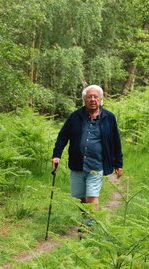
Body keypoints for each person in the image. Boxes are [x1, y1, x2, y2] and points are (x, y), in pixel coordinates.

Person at [51, 85, 123, 220]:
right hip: (77, 164)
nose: (93, 99)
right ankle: (86, 219)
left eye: (95, 96)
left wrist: (118, 164)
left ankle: (89, 227)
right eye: (89, 97)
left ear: (101, 99)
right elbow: (62, 137)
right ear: (84, 99)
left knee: (92, 196)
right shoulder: (75, 117)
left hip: (97, 165)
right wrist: (56, 155)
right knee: (80, 198)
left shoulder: (109, 118)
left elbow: (116, 142)